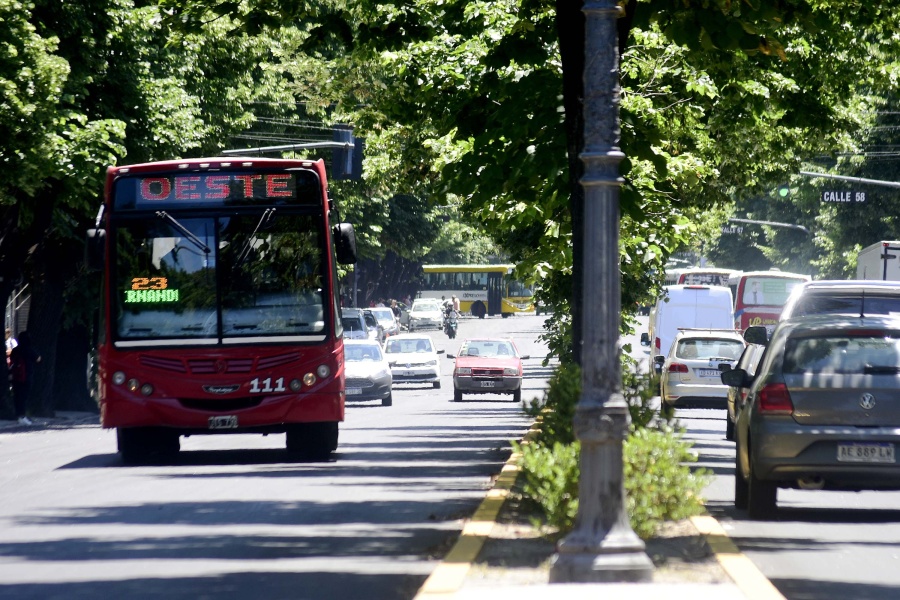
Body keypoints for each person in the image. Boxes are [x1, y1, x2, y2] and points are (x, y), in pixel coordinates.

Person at [9, 331, 40, 426]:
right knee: (24, 397)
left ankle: (18, 415)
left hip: (15, 376)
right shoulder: (29, 350)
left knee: (17, 396)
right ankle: (22, 416)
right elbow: (38, 359)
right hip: (26, 376)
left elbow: (11, 359)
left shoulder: (15, 350)